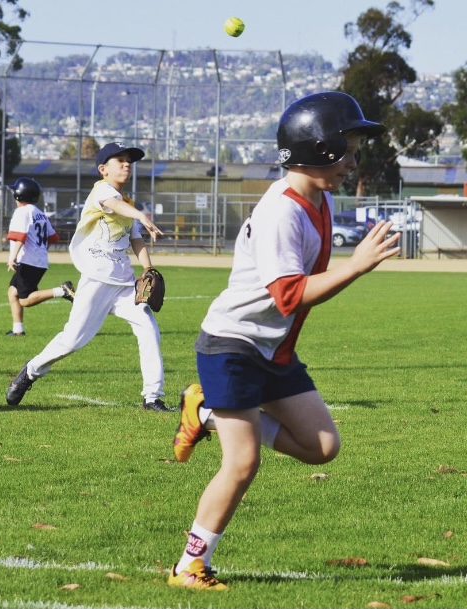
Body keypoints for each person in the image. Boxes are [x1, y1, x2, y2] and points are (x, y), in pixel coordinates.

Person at [166, 92, 402, 590]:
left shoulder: (321, 200)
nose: (354, 161)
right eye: (348, 149)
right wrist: (356, 265)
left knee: (321, 446)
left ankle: (203, 411)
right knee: (243, 461)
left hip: (271, 350)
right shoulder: (282, 212)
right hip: (232, 345)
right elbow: (290, 295)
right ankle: (190, 563)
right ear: (318, 149)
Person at [6, 142, 170, 411]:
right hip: (96, 279)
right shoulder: (102, 191)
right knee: (72, 340)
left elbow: (136, 240)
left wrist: (148, 270)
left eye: (129, 160)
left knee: (148, 328)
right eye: (120, 160)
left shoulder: (128, 205)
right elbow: (112, 204)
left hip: (124, 285)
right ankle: (31, 371)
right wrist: (140, 213)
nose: (127, 164)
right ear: (103, 169)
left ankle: (152, 397)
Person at [6, 176, 75, 336]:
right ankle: (18, 331)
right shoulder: (40, 214)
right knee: (13, 292)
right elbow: (53, 237)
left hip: (28, 261)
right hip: (38, 260)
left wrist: (12, 257)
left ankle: (62, 291)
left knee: (25, 299)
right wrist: (39, 250)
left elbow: (20, 236)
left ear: (19, 194)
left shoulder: (21, 212)